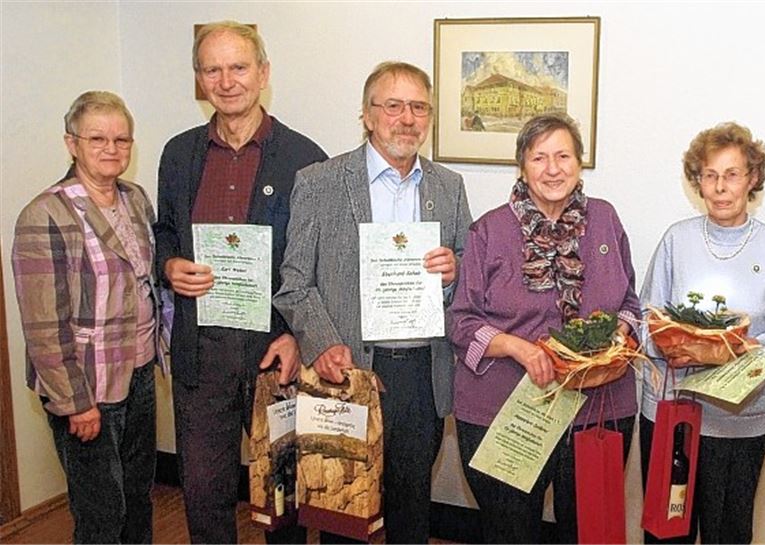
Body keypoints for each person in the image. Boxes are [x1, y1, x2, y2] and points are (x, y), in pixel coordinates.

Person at [274, 61, 472, 544]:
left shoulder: (448, 187)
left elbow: (469, 267)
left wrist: (457, 269)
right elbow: (294, 280)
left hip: (420, 372)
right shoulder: (320, 182)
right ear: (366, 114)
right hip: (349, 369)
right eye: (393, 106)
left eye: (418, 107)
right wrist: (321, 344)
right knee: (343, 508)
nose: (407, 118)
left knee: (410, 504)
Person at [153, 21, 327, 544]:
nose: (226, 80)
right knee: (204, 493)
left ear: (263, 74)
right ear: (199, 79)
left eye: (238, 67)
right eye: (212, 69)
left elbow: (317, 265)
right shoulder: (178, 154)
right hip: (201, 354)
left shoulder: (306, 159)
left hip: (276, 354)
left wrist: (299, 336)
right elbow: (163, 232)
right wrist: (168, 266)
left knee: (283, 495)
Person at [448, 114, 640, 544]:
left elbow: (630, 304)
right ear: (522, 165)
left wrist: (617, 343)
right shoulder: (489, 231)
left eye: (563, 156)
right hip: (506, 411)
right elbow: (461, 322)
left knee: (591, 533)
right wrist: (517, 347)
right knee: (511, 533)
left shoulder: (606, 220)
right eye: (539, 157)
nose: (552, 169)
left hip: (599, 409)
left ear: (580, 163)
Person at [638, 122, 765, 544]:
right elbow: (644, 322)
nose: (720, 187)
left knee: (728, 536)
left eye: (732, 174)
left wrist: (749, 348)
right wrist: (671, 345)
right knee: (665, 536)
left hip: (739, 425)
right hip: (671, 417)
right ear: (697, 180)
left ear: (752, 178)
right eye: (710, 175)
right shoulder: (675, 240)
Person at [12, 91, 166, 543]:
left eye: (122, 139)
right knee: (101, 511)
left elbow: (148, 285)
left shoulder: (135, 199)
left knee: (138, 498)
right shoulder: (45, 214)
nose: (111, 148)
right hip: (86, 387)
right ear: (71, 143)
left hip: (138, 373)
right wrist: (75, 402)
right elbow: (43, 325)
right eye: (97, 137)